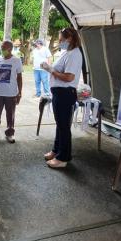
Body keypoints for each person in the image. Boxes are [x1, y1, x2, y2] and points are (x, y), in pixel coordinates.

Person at [41, 28, 83, 169]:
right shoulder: (68, 53)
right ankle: (56, 150)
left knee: (64, 126)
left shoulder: (74, 54)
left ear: (69, 39)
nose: (60, 43)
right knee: (60, 124)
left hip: (65, 93)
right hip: (59, 93)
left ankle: (63, 157)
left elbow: (69, 77)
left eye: (61, 40)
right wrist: (51, 68)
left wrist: (51, 70)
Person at [0, 40, 23, 143]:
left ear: (10, 49)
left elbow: (19, 77)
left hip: (11, 93)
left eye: (3, 48)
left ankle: (10, 134)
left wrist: (19, 92)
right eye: (1, 48)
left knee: (10, 114)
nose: (1, 50)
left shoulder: (16, 60)